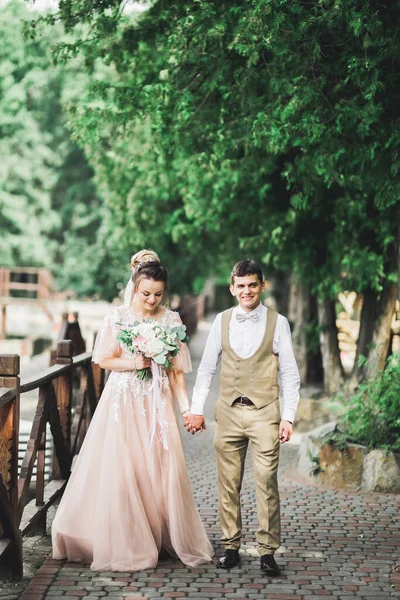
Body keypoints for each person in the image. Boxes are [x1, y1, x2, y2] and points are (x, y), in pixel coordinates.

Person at [52, 249, 213, 571]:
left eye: (158, 294)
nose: (152, 300)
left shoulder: (171, 320)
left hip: (157, 400)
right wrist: (133, 362)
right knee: (123, 467)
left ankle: (157, 535)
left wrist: (186, 409)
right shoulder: (118, 316)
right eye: (146, 294)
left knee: (156, 466)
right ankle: (123, 538)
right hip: (123, 400)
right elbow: (102, 358)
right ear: (135, 286)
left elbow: (177, 372)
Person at [186, 259, 300, 575]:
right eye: (241, 285)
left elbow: (290, 373)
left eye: (252, 284)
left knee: (266, 482)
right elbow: (207, 367)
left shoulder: (278, 323)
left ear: (261, 285)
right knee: (228, 483)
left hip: (265, 414)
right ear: (232, 288)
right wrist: (197, 409)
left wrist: (288, 416)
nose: (246, 290)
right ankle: (231, 547)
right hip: (229, 413)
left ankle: (267, 552)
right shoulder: (221, 322)